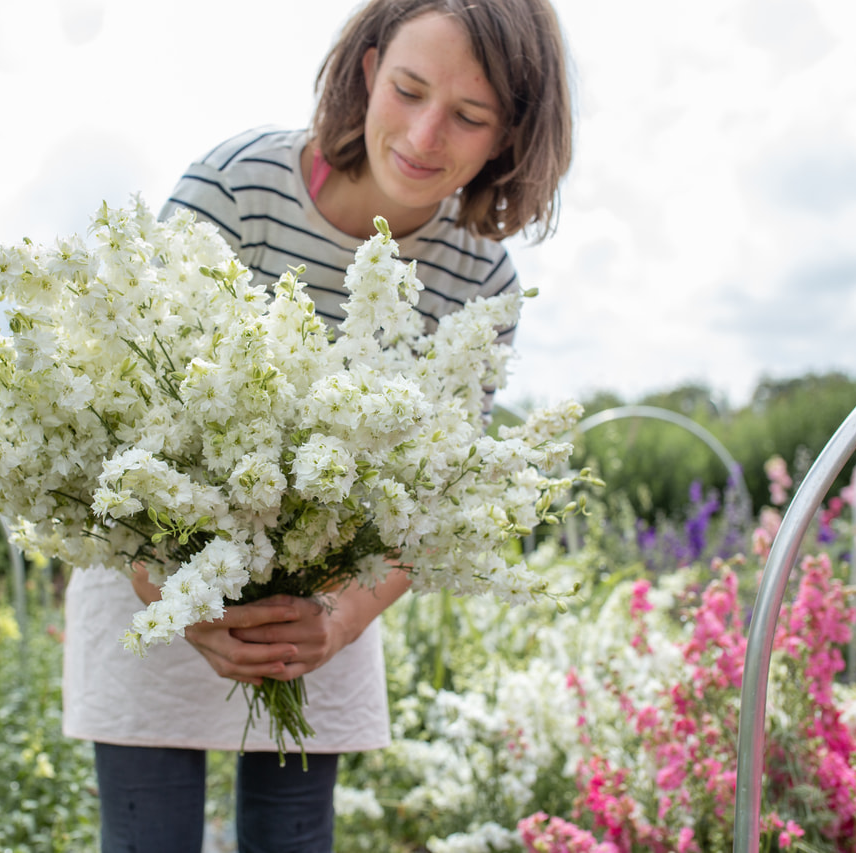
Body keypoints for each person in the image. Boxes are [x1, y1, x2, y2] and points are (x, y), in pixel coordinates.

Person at [62, 0, 572, 850]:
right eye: (408, 89)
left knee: (293, 836)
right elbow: (120, 425)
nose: (422, 134)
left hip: (328, 603)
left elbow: (432, 499)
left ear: (510, 136)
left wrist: (336, 619)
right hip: (152, 575)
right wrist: (184, 604)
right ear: (369, 71)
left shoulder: (483, 282)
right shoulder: (236, 186)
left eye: (468, 116)